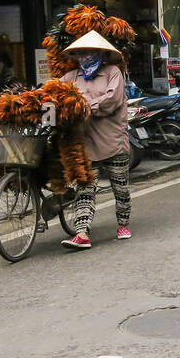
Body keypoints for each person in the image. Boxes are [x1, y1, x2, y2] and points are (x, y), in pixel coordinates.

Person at [58, 31, 132, 250]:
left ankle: (123, 223)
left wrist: (84, 107)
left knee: (121, 188)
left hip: (113, 140)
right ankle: (82, 233)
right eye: (81, 53)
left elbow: (113, 99)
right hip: (86, 142)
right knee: (85, 189)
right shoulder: (72, 77)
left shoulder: (113, 72)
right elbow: (53, 92)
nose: (85, 56)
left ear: (100, 53)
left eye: (89, 52)